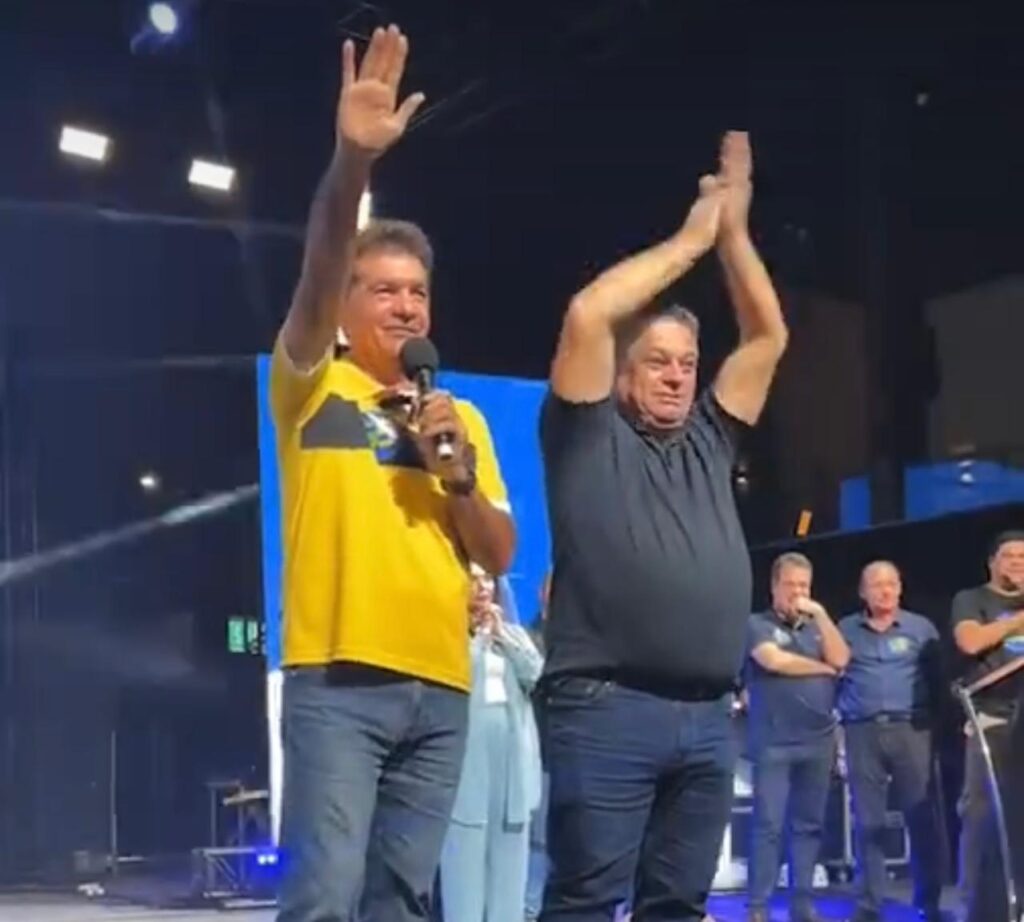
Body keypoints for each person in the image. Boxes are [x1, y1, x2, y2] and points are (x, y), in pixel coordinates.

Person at [270, 25, 516, 922]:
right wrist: (351, 164)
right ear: (344, 308)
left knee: (404, 902)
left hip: (440, 687)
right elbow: (318, 267)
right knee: (324, 897)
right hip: (339, 681)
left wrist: (457, 477)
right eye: (384, 289)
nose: (406, 306)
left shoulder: (461, 418)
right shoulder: (311, 385)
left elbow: (497, 551)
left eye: (417, 292)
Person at [539, 131, 788, 922]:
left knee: (678, 905)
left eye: (687, 362)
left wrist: (735, 232)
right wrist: (692, 240)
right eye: (658, 361)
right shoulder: (586, 435)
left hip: (708, 716)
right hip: (608, 707)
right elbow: (589, 313)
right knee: (586, 901)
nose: (679, 376)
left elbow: (767, 338)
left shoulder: (711, 438)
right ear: (619, 374)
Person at [837, 562, 946, 922]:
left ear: (900, 588)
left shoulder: (921, 628)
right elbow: (834, 677)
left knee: (921, 817)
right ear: (862, 592)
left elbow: (937, 681)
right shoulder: (845, 630)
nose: (885, 591)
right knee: (867, 821)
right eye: (876, 585)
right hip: (861, 730)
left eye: (891, 584)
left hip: (911, 729)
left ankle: (928, 902)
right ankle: (869, 904)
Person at [745, 552, 849, 922]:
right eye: (790, 584)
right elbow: (774, 661)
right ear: (774, 587)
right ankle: (758, 906)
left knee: (809, 826)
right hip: (773, 742)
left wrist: (820, 614)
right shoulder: (756, 624)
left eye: (803, 585)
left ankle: (802, 903)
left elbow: (841, 658)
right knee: (769, 825)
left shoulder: (817, 627)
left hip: (817, 741)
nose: (797, 592)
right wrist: (823, 668)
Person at [440, 570, 543, 922]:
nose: (483, 586)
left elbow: (535, 674)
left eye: (488, 579)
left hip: (512, 763)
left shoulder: (512, 634)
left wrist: (501, 635)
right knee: (464, 873)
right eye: (475, 579)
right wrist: (476, 639)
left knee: (509, 874)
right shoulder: (449, 637)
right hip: (468, 763)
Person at [950, 530, 1024, 922]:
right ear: (992, 562)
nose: (1018, 563)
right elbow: (970, 641)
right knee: (982, 816)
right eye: (1010, 556)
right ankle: (973, 907)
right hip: (991, 720)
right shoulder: (972, 599)